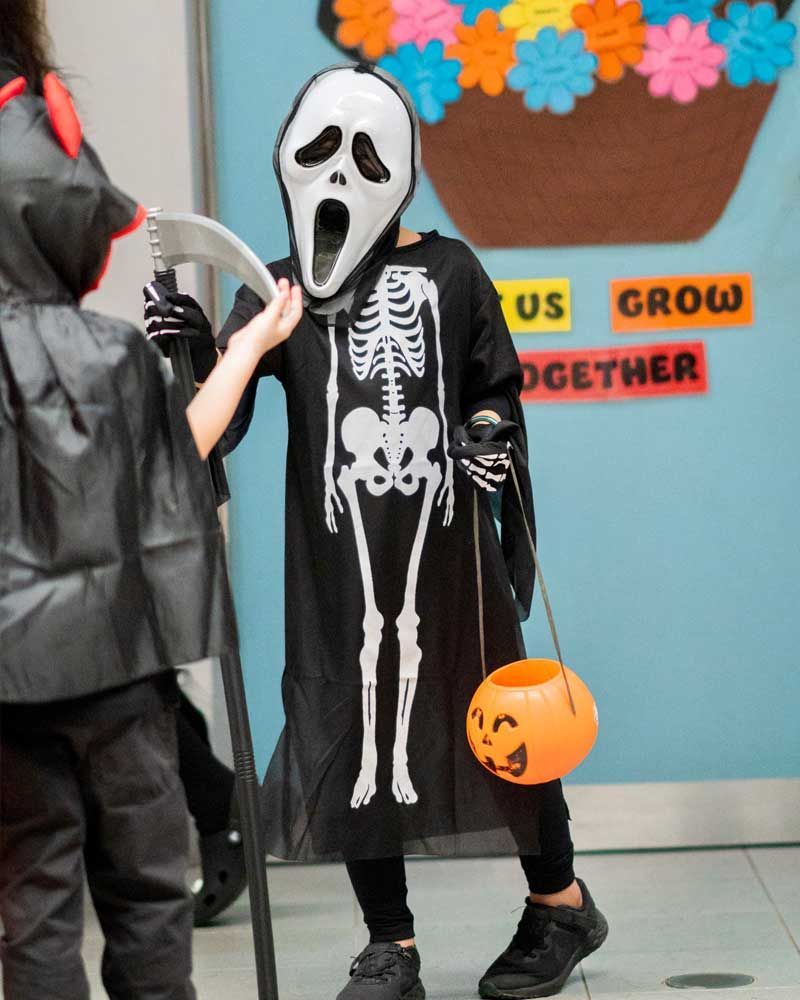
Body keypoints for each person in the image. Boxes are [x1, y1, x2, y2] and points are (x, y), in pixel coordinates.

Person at [144, 63, 606, 1000]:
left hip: (448, 557)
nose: (340, 180)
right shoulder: (278, 291)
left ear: (401, 171)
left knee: (504, 722)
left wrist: (488, 436)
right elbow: (214, 428)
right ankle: (389, 945)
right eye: (319, 153)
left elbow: (493, 390)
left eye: (362, 155)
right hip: (339, 564)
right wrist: (198, 347)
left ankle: (560, 903)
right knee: (347, 727)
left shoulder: (453, 269)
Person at [0, 7, 301, 996]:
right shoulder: (116, 354)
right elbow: (187, 453)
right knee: (144, 892)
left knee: (33, 901)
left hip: (8, 688)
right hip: (123, 679)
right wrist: (248, 344)